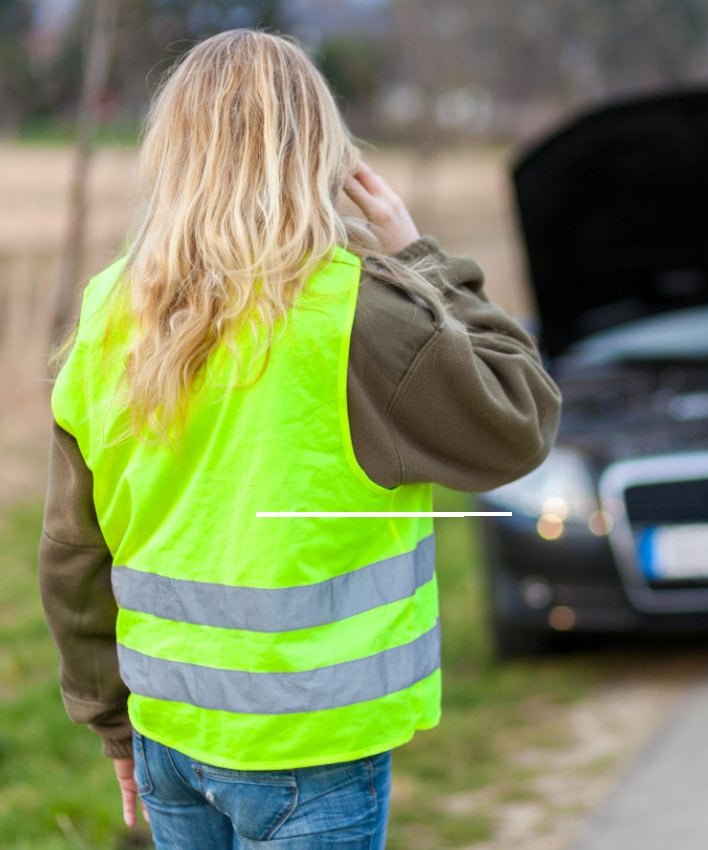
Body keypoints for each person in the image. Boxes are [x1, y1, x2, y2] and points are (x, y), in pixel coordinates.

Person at [38, 29, 561, 850]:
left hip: (169, 736)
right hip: (310, 750)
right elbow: (520, 418)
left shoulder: (108, 310)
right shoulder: (358, 314)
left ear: (171, 153)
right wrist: (421, 255)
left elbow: (74, 551)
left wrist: (112, 724)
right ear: (319, 149)